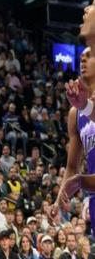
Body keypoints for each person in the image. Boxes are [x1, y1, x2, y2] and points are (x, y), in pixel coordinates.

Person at [51, 48, 95, 228]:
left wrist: (79, 181)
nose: (83, 60)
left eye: (89, 56)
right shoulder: (74, 114)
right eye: (81, 57)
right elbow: (71, 167)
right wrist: (58, 201)